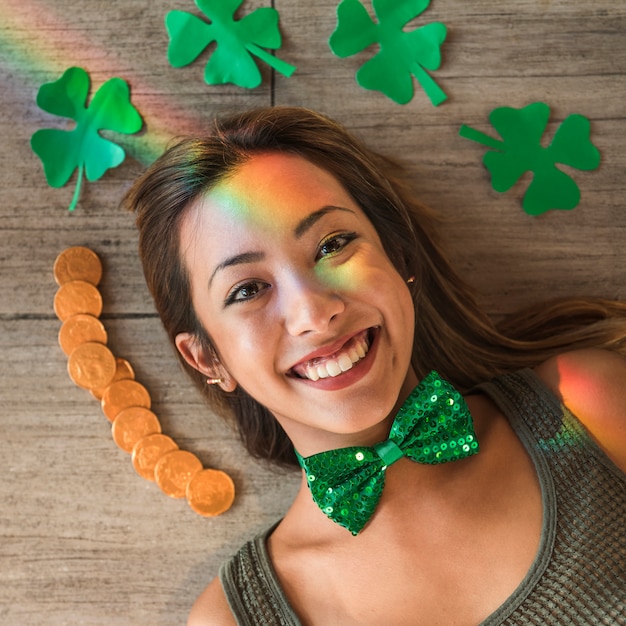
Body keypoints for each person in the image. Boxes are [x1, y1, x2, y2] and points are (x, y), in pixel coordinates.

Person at [124, 106, 626, 625]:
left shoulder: (590, 407)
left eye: (332, 245)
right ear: (208, 358)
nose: (315, 314)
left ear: (400, 256)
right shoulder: (233, 620)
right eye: (247, 289)